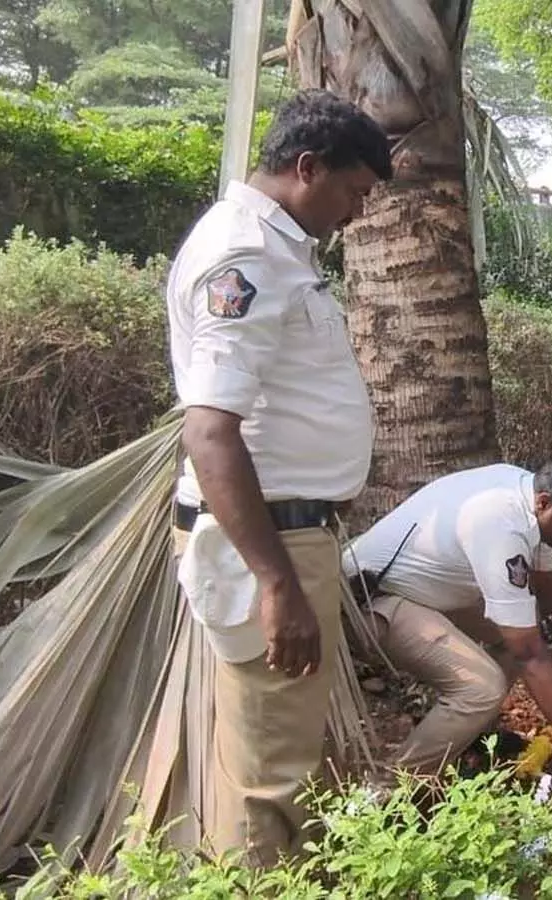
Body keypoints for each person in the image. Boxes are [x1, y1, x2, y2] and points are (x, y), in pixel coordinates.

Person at [165, 89, 391, 867]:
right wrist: (275, 583)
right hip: (273, 539)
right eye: (355, 192)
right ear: (307, 167)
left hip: (289, 532)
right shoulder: (246, 257)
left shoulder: (277, 248)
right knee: (274, 779)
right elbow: (209, 429)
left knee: (271, 755)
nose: (356, 214)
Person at [342, 457, 552, 801]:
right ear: (544, 502)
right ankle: (386, 792)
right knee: (482, 688)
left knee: (519, 630)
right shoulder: (502, 524)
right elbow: (529, 654)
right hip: (366, 601)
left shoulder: (531, 496)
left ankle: (467, 744)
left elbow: (550, 592)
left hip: (418, 592)